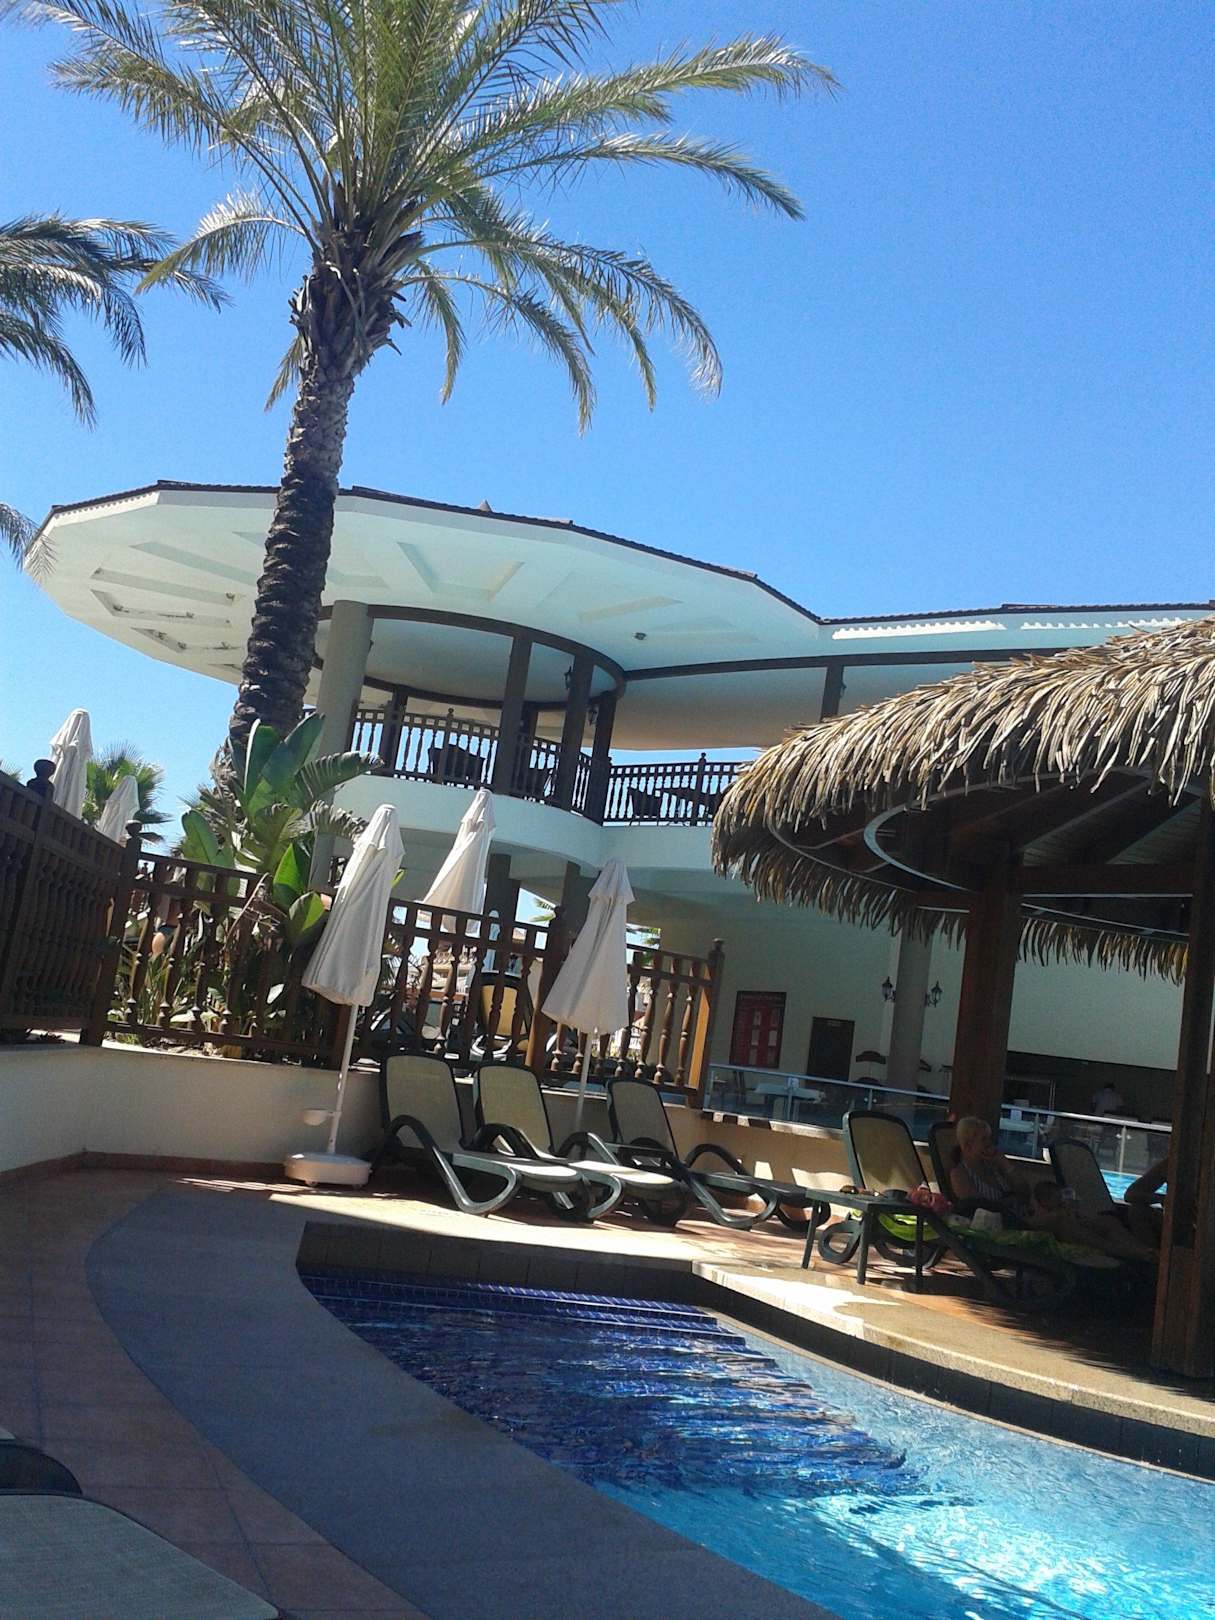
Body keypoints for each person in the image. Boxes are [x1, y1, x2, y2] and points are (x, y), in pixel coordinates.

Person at [1028, 1180, 1156, 1263]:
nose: (1060, 1199)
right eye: (1054, 1197)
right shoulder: (1049, 1215)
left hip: (1076, 1227)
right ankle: (1134, 1253)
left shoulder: (1062, 1210)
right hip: (1071, 1232)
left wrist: (1080, 1216)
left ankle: (1144, 1250)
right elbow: (1035, 1224)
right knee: (1073, 1223)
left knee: (1108, 1221)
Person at [949, 1116, 1032, 1218]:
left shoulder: (994, 1165)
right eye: (984, 1139)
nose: (989, 1143)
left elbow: (1025, 1192)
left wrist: (1005, 1164)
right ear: (968, 1145)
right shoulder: (960, 1174)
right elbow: (977, 1210)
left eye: (989, 1138)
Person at [1123, 1155, 1168, 1246]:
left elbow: (1130, 1194)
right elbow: (1131, 1194)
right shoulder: (1171, 1163)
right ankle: (1151, 1252)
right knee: (1137, 1210)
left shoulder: (1172, 1163)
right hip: (1176, 1224)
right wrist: (1164, 1198)